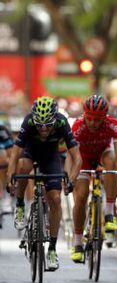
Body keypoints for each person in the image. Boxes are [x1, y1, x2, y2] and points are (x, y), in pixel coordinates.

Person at [7, 96, 82, 270]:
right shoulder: (29, 121)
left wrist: (72, 179)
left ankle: (53, 249)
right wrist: (11, 175)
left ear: (54, 120)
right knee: (23, 165)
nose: (43, 129)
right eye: (39, 125)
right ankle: (19, 206)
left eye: (48, 126)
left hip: (51, 157)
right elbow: (15, 153)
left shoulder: (62, 122)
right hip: (30, 152)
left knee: (55, 199)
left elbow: (77, 157)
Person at [70, 95, 117, 263]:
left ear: (105, 117)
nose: (93, 123)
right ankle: (78, 243)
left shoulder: (114, 125)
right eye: (90, 118)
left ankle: (109, 212)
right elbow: (73, 157)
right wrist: (71, 177)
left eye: (97, 120)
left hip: (102, 156)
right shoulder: (77, 127)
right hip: (83, 159)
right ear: (84, 115)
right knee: (80, 197)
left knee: (111, 160)